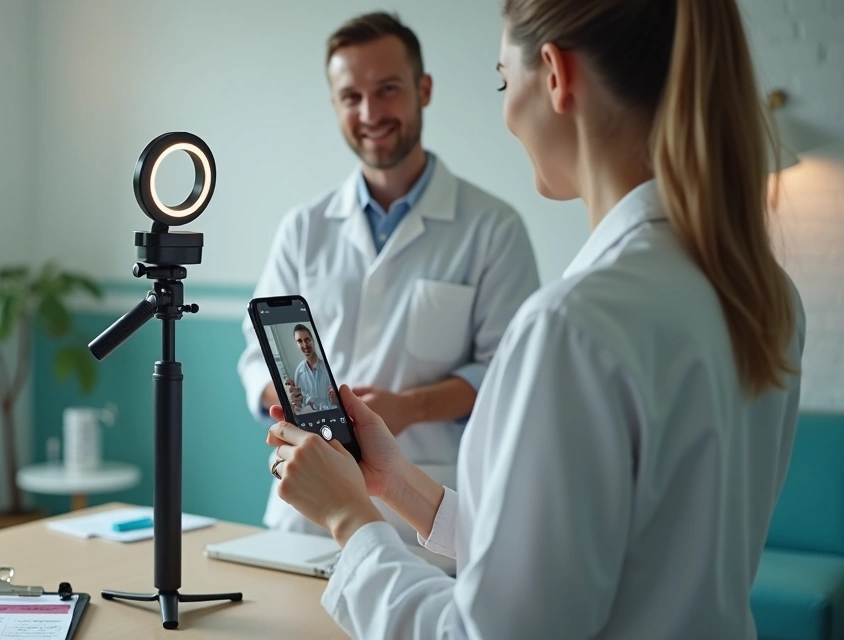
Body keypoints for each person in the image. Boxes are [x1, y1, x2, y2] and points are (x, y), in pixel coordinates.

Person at [267, 0, 806, 636]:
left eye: (503, 81)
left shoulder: (570, 326)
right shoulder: (765, 294)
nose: (506, 113)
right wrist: (396, 484)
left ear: (555, 74)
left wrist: (350, 520)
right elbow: (570, 561)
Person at [237, 11, 541, 544]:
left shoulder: (493, 227)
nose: (370, 112)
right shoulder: (303, 228)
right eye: (351, 97)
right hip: (304, 515)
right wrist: (297, 403)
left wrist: (410, 408)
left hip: (430, 518)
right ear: (335, 106)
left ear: (424, 89)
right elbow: (255, 357)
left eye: (388, 89)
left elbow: (507, 373)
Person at [285, 325, 337, 413]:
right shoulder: (299, 372)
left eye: (307, 339)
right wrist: (293, 400)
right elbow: (301, 403)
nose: (305, 345)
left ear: (313, 340)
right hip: (312, 417)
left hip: (333, 414)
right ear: (297, 344)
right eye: (300, 341)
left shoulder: (329, 366)